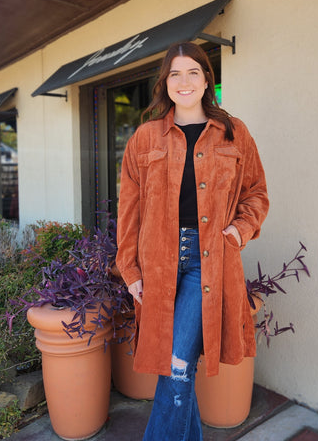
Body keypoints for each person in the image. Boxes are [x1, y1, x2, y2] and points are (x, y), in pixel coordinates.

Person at [116, 41, 269, 440]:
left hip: (209, 259)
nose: (183, 82)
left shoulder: (233, 133)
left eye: (193, 73)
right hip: (159, 263)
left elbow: (256, 192)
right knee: (177, 369)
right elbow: (128, 210)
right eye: (175, 74)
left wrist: (238, 230)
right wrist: (129, 268)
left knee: (177, 364)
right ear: (165, 82)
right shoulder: (145, 138)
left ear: (206, 81)